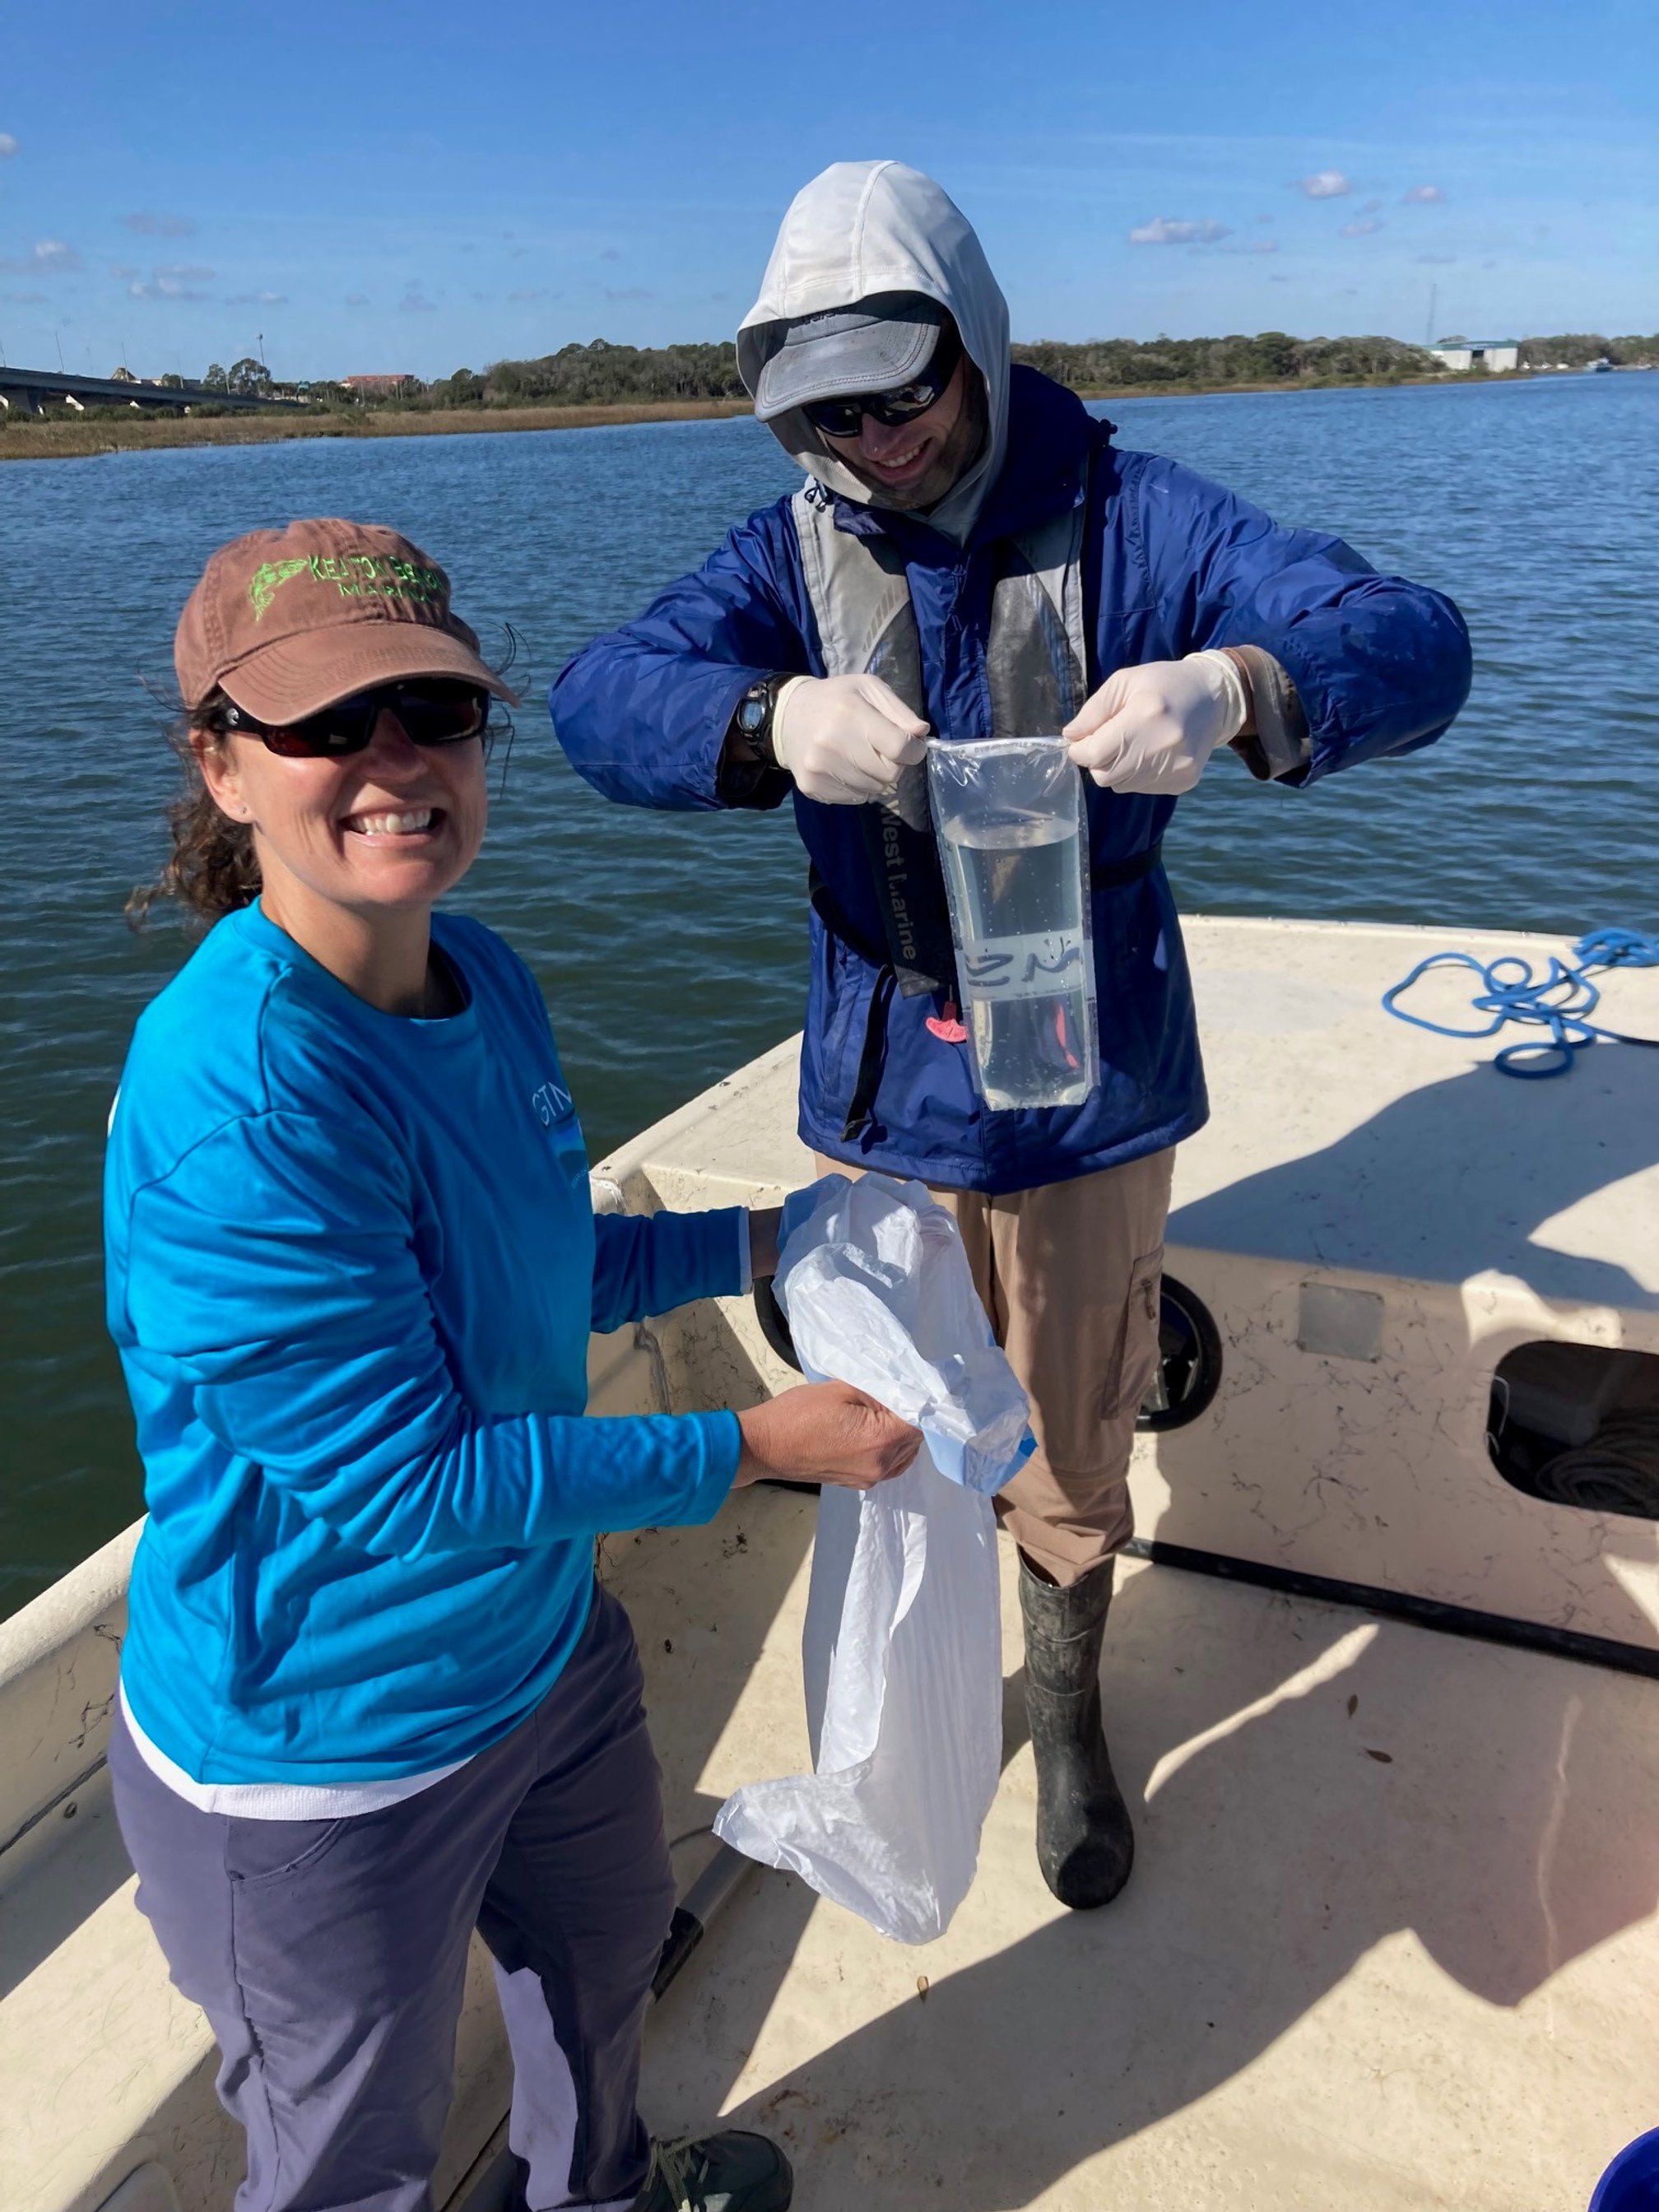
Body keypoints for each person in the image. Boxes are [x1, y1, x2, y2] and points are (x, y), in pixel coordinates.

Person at [550, 160, 1473, 1913]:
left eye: (904, 388)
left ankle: (1066, 1721)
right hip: (881, 1083)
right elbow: (600, 697)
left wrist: (1245, 690)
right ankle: (901, 1730)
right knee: (885, 1425)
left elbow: (1415, 642)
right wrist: (759, 721)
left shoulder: (1141, 517)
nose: (877, 439)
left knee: (1071, 1436)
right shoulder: (786, 556)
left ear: (973, 341)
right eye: (826, 410)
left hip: (1090, 1091)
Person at [105, 517, 921, 2212]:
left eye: (435, 711)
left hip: (539, 1657)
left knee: (609, 1965)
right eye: (328, 724)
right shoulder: (240, 1102)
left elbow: (540, 1278)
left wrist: (767, 1237)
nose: (396, 762)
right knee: (351, 2163)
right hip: (318, 1755)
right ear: (222, 766)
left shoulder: (485, 978)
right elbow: (406, 1481)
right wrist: (755, 1446)